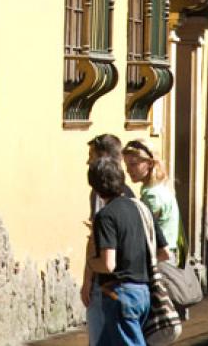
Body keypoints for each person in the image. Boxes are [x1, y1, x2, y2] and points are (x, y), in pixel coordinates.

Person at [87, 157, 169, 346]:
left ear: (96, 188)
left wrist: (91, 262)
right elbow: (164, 253)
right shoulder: (141, 209)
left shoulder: (105, 216)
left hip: (119, 294)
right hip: (143, 293)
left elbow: (108, 264)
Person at [82, 135, 135, 345]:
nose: (88, 162)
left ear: (103, 157)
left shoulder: (100, 195)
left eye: (91, 156)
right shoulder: (130, 195)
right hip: (131, 283)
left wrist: (87, 279)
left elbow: (96, 242)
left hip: (106, 282)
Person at [123, 139, 181, 263]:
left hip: (160, 258)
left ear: (149, 163)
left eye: (133, 164)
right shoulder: (159, 188)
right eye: (126, 165)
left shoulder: (153, 196)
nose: (128, 170)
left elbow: (144, 232)